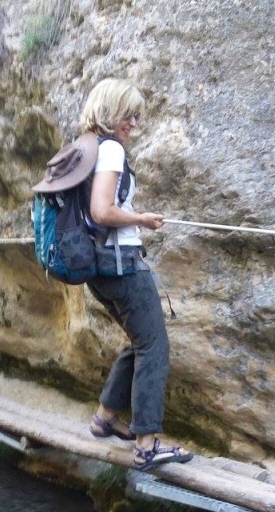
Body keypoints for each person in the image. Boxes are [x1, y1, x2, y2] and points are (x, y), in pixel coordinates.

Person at [81, 78, 194, 471]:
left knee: (141, 341)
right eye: (128, 114)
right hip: (121, 264)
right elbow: (101, 211)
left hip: (97, 268)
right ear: (110, 111)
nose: (134, 123)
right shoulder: (110, 148)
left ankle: (105, 417)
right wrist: (141, 219)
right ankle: (147, 446)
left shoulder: (85, 147)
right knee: (154, 347)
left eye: (137, 116)